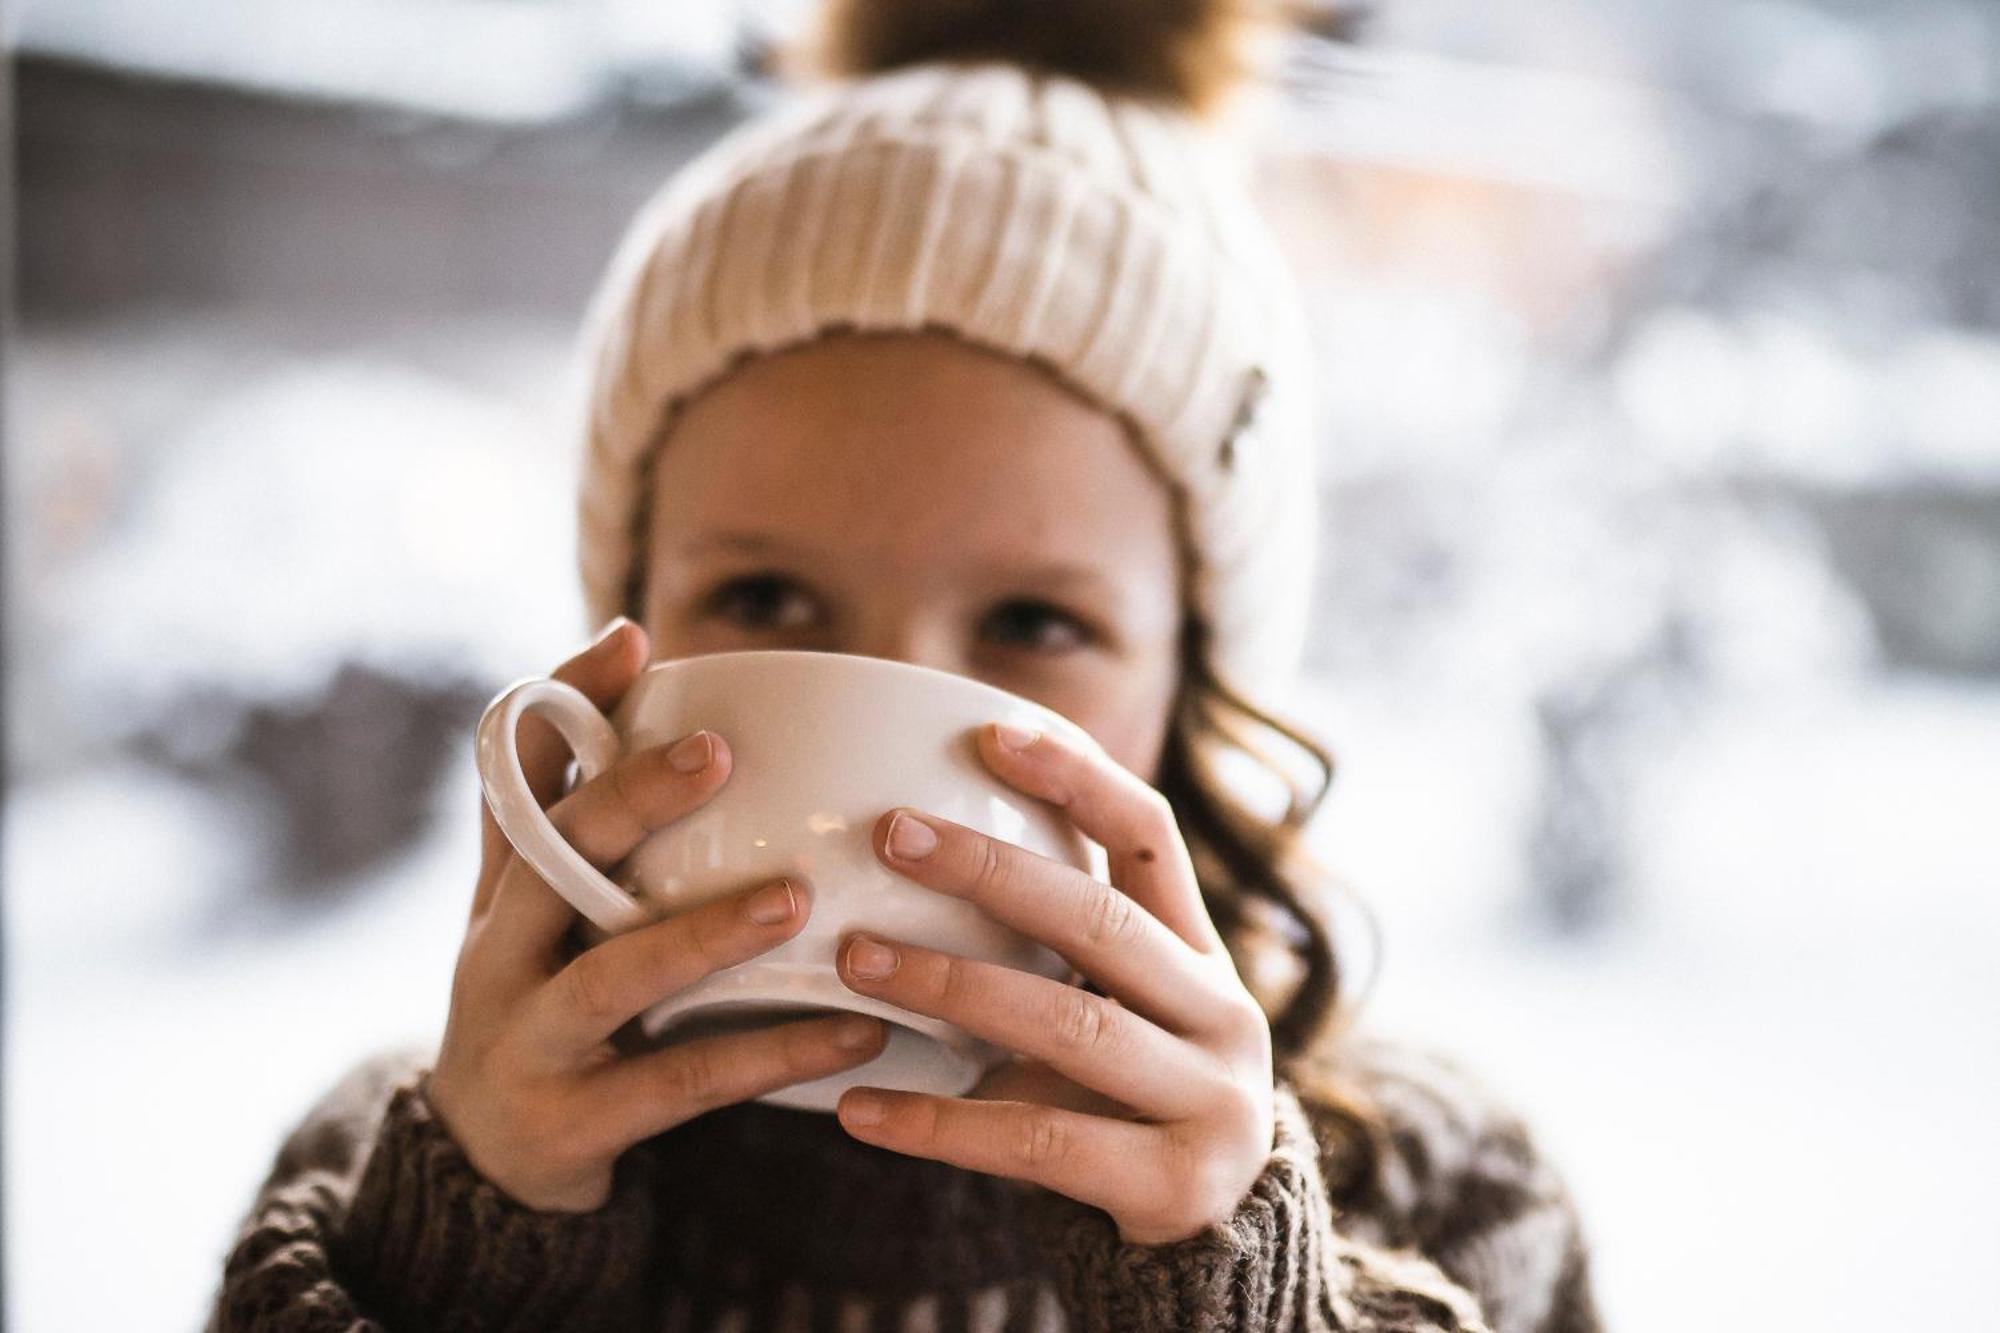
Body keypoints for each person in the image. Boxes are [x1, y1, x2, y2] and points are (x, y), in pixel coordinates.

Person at [211, 2, 1602, 1329]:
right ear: (624, 640)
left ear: (1196, 676)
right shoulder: (385, 1180)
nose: (888, 710)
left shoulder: (1440, 1189)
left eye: (1036, 624)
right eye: (763, 592)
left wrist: (1240, 1291)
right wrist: (465, 1253)